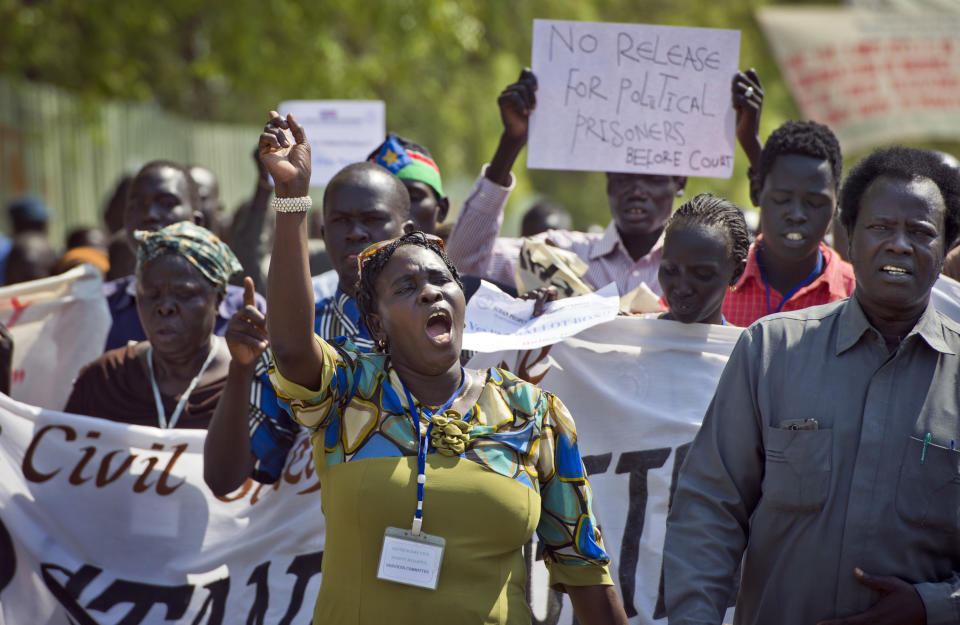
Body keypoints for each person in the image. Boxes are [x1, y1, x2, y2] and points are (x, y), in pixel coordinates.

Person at [258, 110, 628, 625]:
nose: (429, 289)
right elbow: (294, 349)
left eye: (440, 280)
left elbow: (587, 575)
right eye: (405, 288)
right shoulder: (348, 391)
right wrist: (293, 200)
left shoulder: (533, 414)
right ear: (376, 323)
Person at [663, 146, 960, 624]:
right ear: (848, 235)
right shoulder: (770, 352)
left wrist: (933, 608)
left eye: (921, 232)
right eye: (881, 227)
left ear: (947, 247)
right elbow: (709, 509)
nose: (899, 245)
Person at [203, 149, 415, 493]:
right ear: (323, 232)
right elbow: (224, 478)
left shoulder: (446, 326)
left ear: (407, 230)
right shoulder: (293, 329)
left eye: (372, 219)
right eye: (341, 221)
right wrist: (241, 371)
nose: (356, 232)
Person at [446, 69, 687, 296]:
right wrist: (511, 142)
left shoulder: (701, 268)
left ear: (679, 182)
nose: (636, 191)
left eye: (652, 179)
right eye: (623, 177)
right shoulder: (557, 254)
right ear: (608, 180)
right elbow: (463, 264)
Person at [65, 222, 241, 428]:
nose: (165, 307)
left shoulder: (252, 382)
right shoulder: (103, 381)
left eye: (183, 294)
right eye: (151, 294)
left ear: (219, 299)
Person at [723, 72, 855, 327]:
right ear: (756, 193)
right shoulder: (715, 284)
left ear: (835, 207)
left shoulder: (858, 298)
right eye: (782, 199)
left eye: (814, 203)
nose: (796, 214)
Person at [102, 160, 265, 351]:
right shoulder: (97, 306)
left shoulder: (244, 307)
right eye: (136, 205)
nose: (149, 215)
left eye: (167, 203)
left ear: (196, 221)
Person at [657, 194, 749, 325]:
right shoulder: (630, 340)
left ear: (736, 273)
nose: (682, 288)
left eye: (703, 274)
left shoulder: (742, 344)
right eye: (671, 270)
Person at [367, 134, 449, 234]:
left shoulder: (463, 249)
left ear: (442, 209)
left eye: (413, 197)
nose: (399, 213)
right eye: (385, 201)